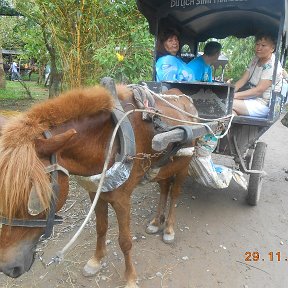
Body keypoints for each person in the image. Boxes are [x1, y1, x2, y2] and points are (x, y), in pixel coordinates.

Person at [232, 33, 283, 117]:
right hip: (250, 99)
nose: (259, 48)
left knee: (226, 102)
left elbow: (258, 91)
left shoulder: (272, 65)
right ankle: (232, 127)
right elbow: (243, 80)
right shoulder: (255, 59)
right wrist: (230, 92)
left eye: (263, 45)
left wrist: (234, 96)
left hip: (264, 104)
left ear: (272, 48)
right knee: (229, 109)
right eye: (257, 44)